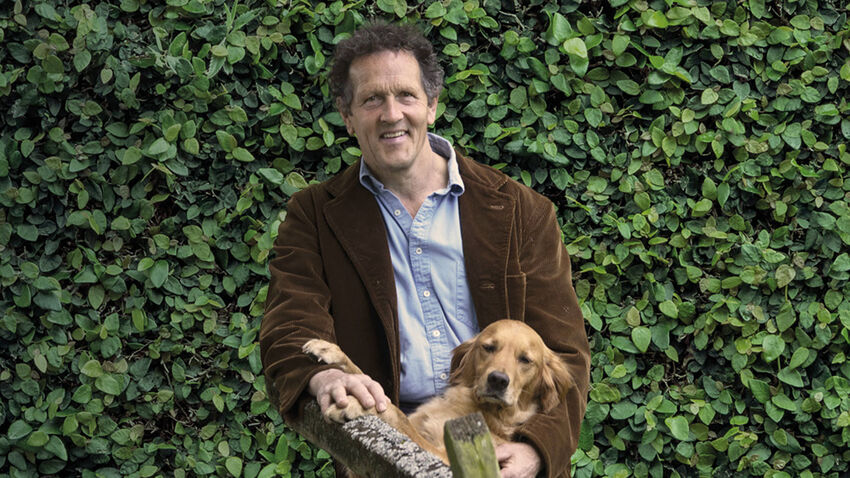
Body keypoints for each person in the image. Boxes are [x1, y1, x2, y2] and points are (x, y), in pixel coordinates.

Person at [260, 22, 590, 478]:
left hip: (496, 436)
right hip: (390, 435)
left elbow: (566, 356)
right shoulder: (313, 215)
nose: (392, 114)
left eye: (407, 96)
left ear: (432, 105)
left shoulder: (520, 210)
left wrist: (537, 450)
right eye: (372, 99)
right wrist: (327, 377)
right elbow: (289, 325)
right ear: (347, 114)